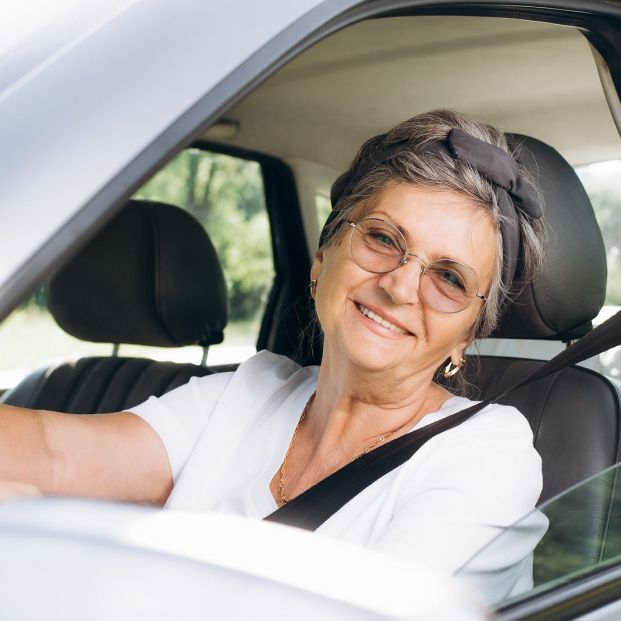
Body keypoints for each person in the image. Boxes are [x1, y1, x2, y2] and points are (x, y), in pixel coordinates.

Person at [0, 109, 545, 591]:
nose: (400, 286)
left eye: (448, 277)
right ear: (321, 258)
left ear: (469, 334)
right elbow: (54, 451)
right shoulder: (252, 389)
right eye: (382, 238)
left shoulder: (488, 453)